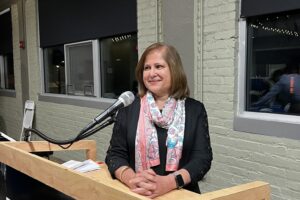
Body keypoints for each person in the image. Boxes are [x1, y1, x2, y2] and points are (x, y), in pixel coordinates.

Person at [105, 42, 213, 198]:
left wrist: (168, 183)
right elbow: (114, 155)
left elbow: (202, 159)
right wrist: (132, 179)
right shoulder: (128, 108)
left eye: (159, 66)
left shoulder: (195, 110)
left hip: (180, 194)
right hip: (137, 194)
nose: (151, 73)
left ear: (174, 70)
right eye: (146, 68)